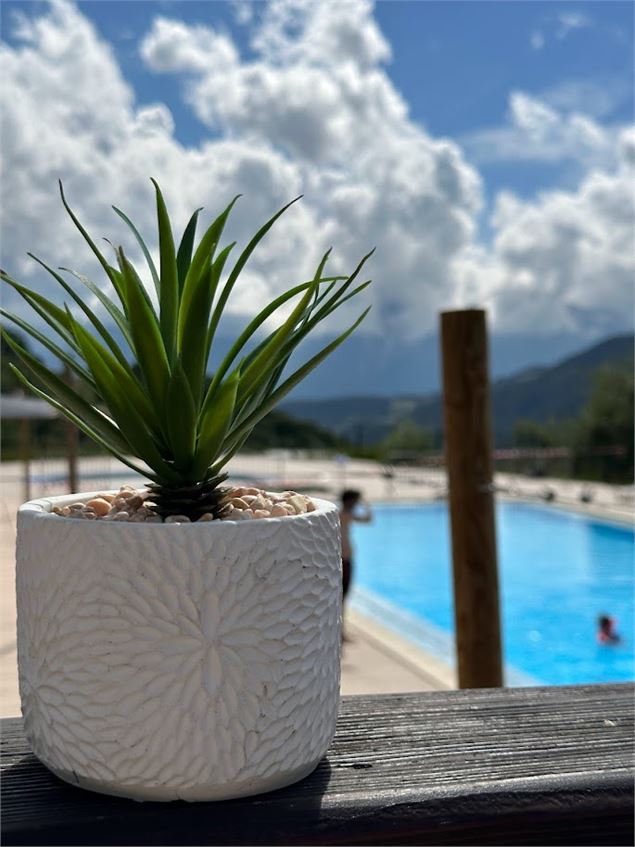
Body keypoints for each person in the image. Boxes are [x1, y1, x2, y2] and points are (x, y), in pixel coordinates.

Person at [339, 489, 373, 605]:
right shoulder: (344, 515)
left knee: (342, 593)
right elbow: (368, 519)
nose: (356, 504)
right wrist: (366, 505)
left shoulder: (341, 514)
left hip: (344, 558)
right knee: (343, 593)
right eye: (355, 501)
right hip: (344, 559)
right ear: (349, 501)